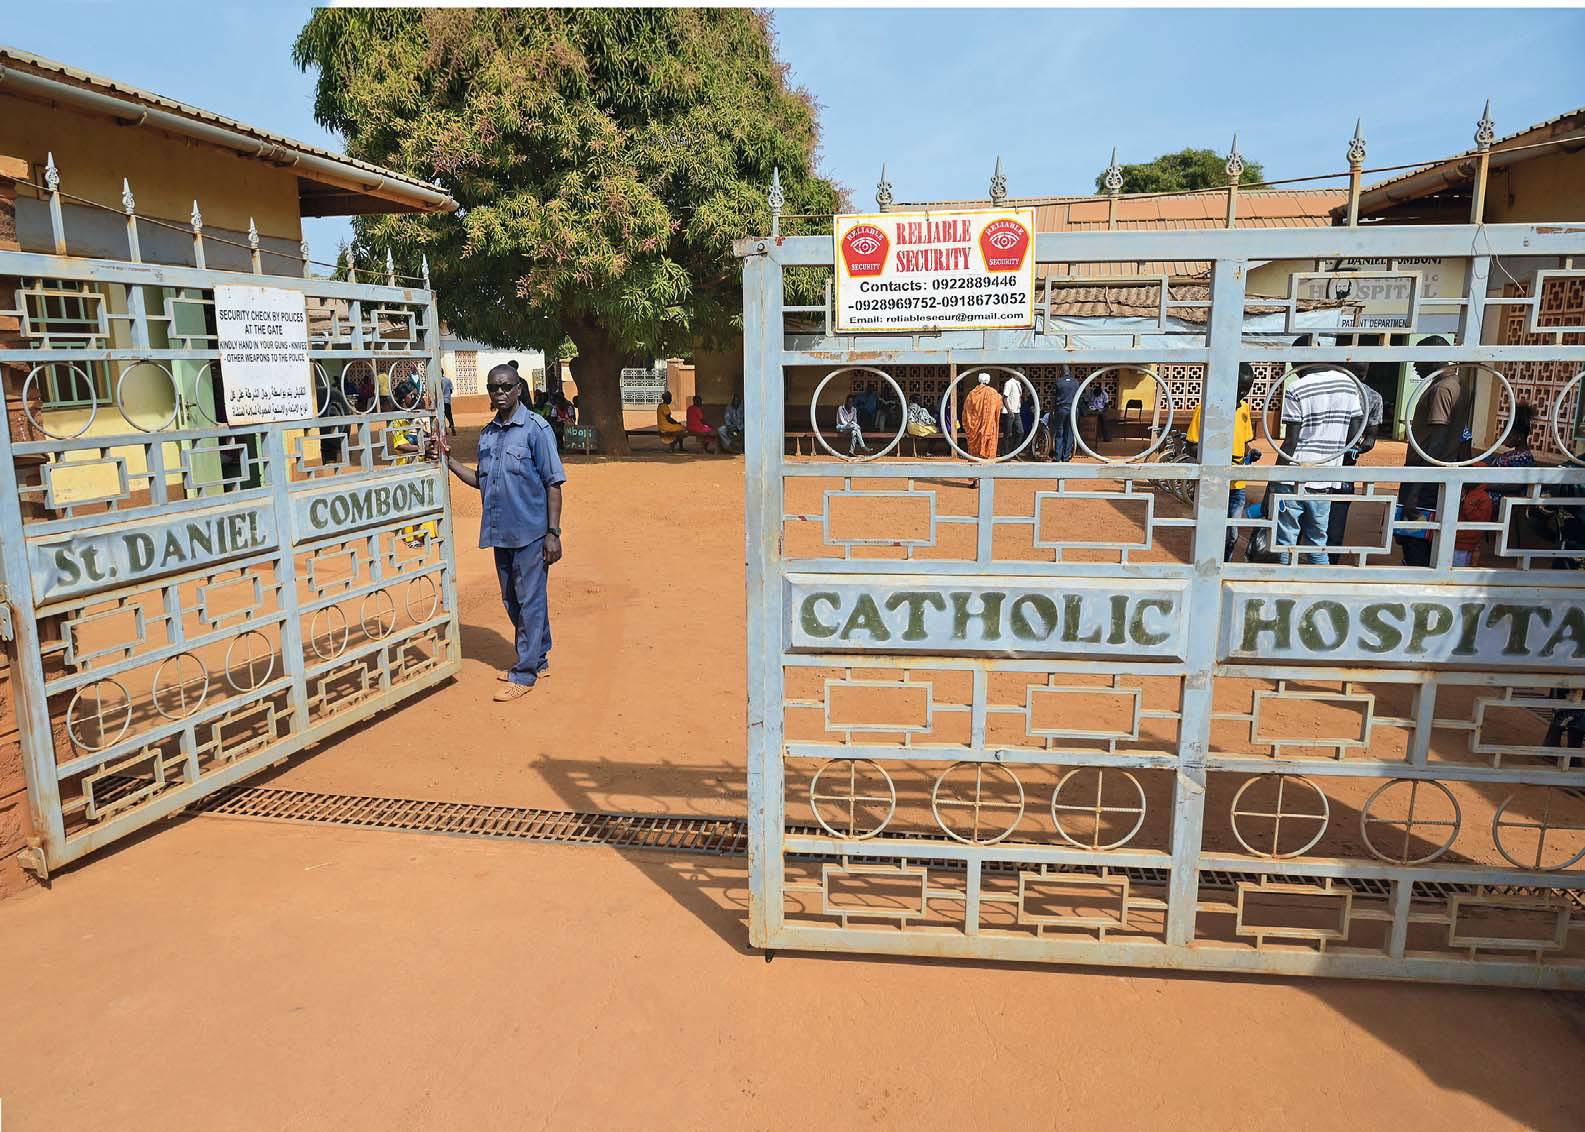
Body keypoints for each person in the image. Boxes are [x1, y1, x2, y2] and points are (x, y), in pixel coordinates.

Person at [438, 363, 565, 703]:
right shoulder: (489, 434)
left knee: (530, 601)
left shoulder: (536, 430)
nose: (500, 393)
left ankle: (524, 674)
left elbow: (554, 483)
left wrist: (553, 532)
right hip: (500, 532)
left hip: (532, 533)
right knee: (513, 599)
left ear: (518, 389)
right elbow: (482, 481)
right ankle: (539, 657)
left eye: (506, 387)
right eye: (494, 388)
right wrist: (448, 462)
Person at [1274, 364, 1363, 565]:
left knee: (1285, 542)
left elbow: (1290, 442)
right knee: (1317, 541)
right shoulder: (1348, 384)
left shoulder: (1297, 387)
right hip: (1326, 475)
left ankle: (1283, 587)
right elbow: (1354, 433)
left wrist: (1273, 482)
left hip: (1294, 475)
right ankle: (1318, 588)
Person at [1397, 336, 1473, 566]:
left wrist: (1414, 492)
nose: (1415, 365)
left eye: (1419, 359)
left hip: (1424, 479)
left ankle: (1414, 590)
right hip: (1436, 476)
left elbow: (1436, 443)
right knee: (1425, 541)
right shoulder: (1458, 384)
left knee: (1415, 541)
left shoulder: (1442, 389)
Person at [1187, 364, 1258, 559]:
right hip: (1213, 483)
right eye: (1240, 388)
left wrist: (1251, 453)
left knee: (1232, 535)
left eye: (1247, 389)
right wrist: (1217, 455)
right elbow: (1191, 446)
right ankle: (1205, 565)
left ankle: (1223, 566)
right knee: (1209, 531)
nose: (1243, 393)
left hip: (1237, 484)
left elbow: (1243, 443)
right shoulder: (1206, 407)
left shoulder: (1244, 409)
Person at [1323, 365, 1384, 564]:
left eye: (1361, 374)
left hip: (1342, 468)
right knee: (1320, 521)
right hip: (1321, 465)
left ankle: (1326, 566)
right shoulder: (1327, 391)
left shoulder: (1373, 397)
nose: (1357, 378)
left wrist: (1355, 448)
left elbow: (1371, 438)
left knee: (1334, 523)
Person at [961, 372, 1004, 460]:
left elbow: (967, 410)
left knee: (974, 454)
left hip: (973, 426)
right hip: (987, 425)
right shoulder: (992, 393)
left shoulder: (972, 393)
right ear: (988, 380)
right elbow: (999, 404)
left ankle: (974, 457)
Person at [1049, 367, 1083, 462]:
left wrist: (1051, 411)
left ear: (1061, 371)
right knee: (1070, 433)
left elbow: (1054, 398)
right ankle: (1066, 457)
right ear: (1069, 371)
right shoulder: (1076, 382)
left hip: (1061, 409)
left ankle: (1057, 456)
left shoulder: (1058, 382)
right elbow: (1078, 397)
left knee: (1059, 432)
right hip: (1072, 410)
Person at [1001, 373, 1025, 454]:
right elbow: (1004, 398)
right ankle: (1004, 453)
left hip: (1017, 411)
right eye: (1022, 375)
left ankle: (1013, 451)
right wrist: (1009, 411)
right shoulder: (1009, 383)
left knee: (1020, 432)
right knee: (1007, 433)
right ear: (1017, 374)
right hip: (1010, 412)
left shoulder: (1018, 384)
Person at [440, 370, 456, 435]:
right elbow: (451, 390)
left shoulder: (437, 381)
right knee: (449, 415)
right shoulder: (448, 380)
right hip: (447, 400)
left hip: (440, 402)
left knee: (441, 416)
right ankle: (452, 425)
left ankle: (444, 430)